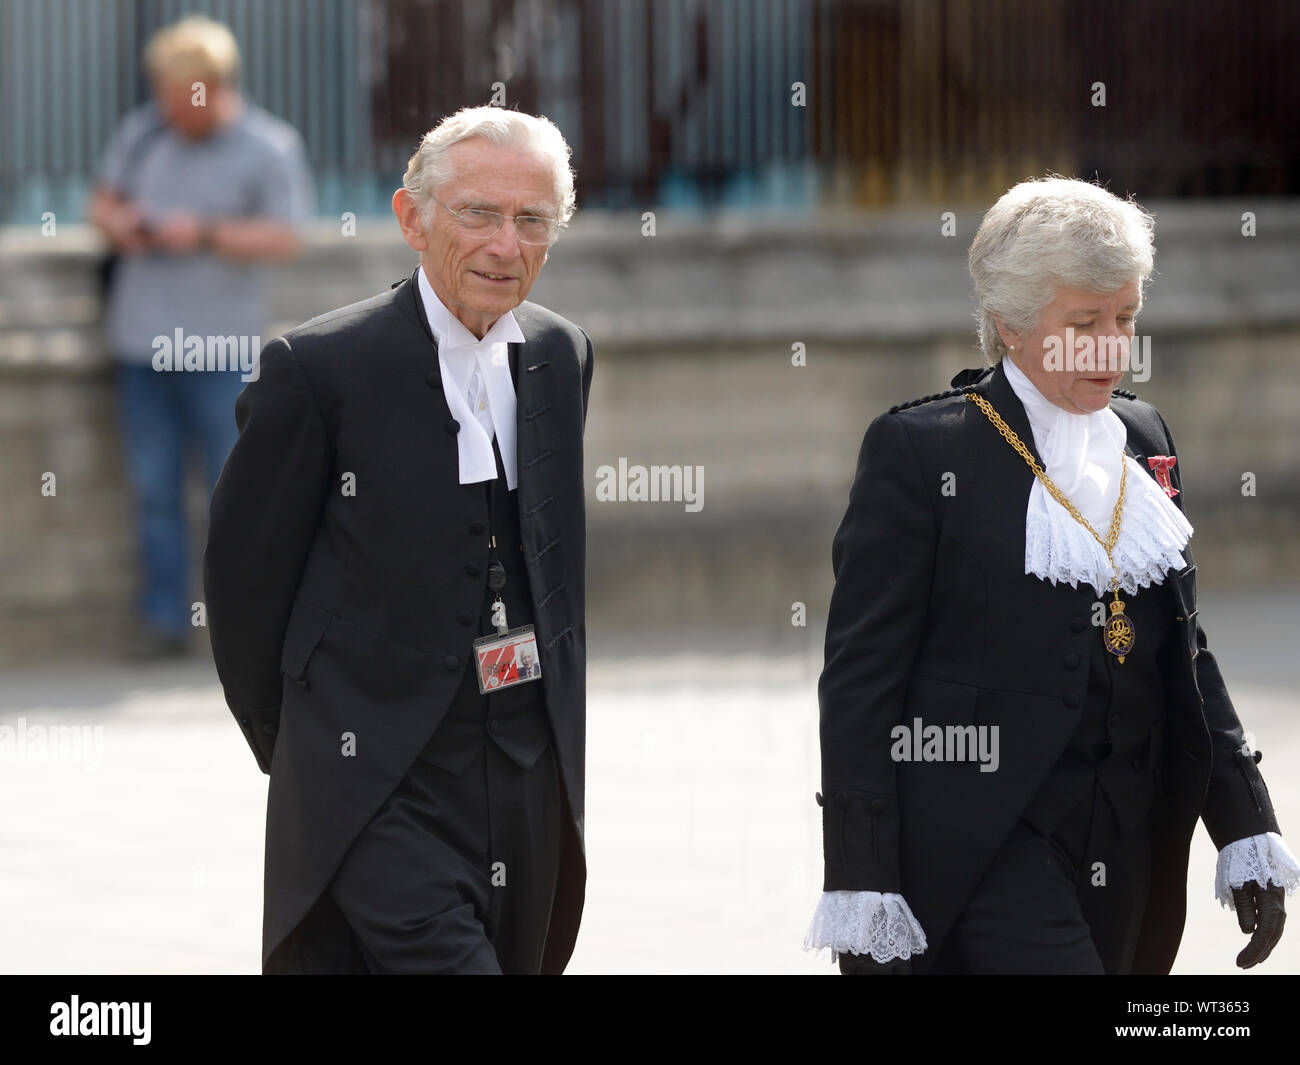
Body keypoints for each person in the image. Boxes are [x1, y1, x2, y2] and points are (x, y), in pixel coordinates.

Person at [804, 176, 1297, 974]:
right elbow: (860, 683)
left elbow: (1184, 646)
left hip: (1130, 836)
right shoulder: (922, 454)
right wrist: (862, 884)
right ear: (1010, 322)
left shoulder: (1143, 433)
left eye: (1127, 318)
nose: (1113, 347)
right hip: (989, 842)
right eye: (1085, 323)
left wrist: (1245, 824)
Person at [204, 106, 593, 974]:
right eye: (478, 214)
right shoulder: (318, 370)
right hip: (379, 776)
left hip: (526, 768)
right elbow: (242, 588)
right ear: (412, 219)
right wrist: (308, 753)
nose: (506, 245)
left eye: (532, 221)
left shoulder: (563, 357)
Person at [87, 15, 313, 658]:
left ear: (214, 87)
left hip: (220, 348)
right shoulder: (141, 136)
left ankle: (243, 623)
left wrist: (204, 233)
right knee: (153, 487)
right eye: (161, 90)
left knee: (231, 489)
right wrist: (123, 223)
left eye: (179, 92)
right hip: (140, 344)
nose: (169, 105)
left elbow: (286, 236)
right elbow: (99, 204)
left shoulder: (267, 147)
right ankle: (165, 623)